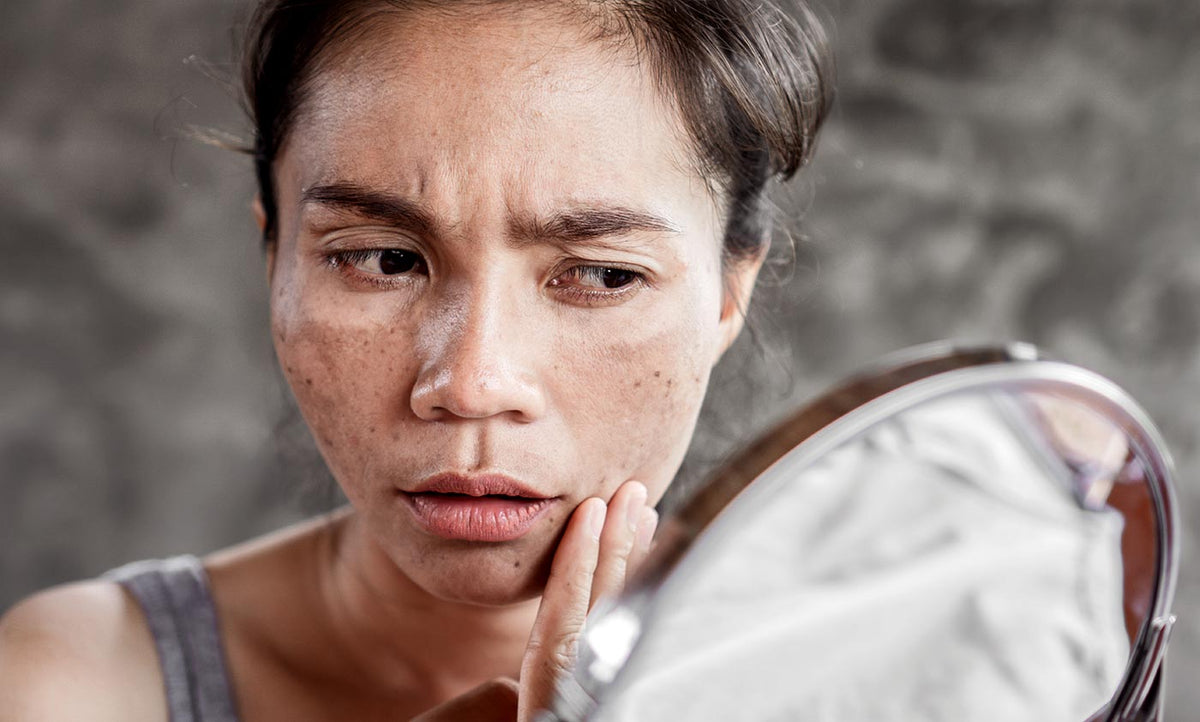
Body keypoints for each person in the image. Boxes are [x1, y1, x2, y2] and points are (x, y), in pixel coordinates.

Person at [0, 0, 832, 719]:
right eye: (383, 259)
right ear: (274, 257)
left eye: (603, 275)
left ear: (728, 294)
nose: (470, 385)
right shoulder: (76, 684)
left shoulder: (869, 679)